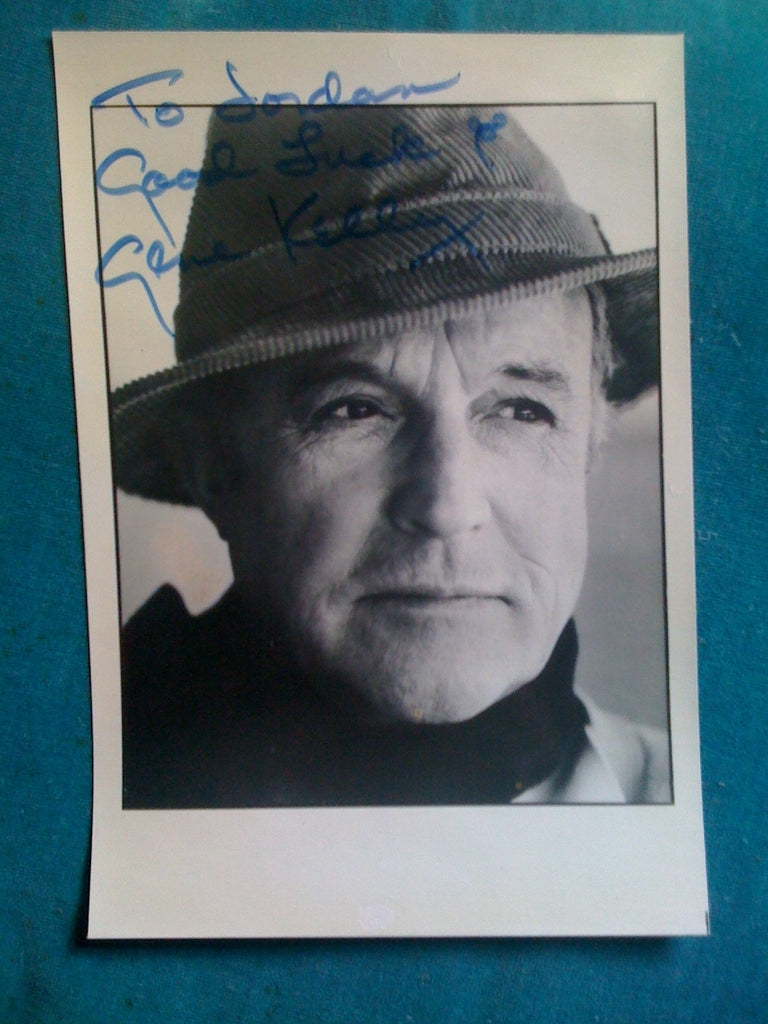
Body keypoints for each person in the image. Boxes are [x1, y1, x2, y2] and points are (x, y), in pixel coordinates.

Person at [112, 104, 670, 808]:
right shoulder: (65, 803)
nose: (447, 508)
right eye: (354, 409)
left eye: (523, 410)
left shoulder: (694, 812)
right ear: (211, 463)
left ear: (591, 443)